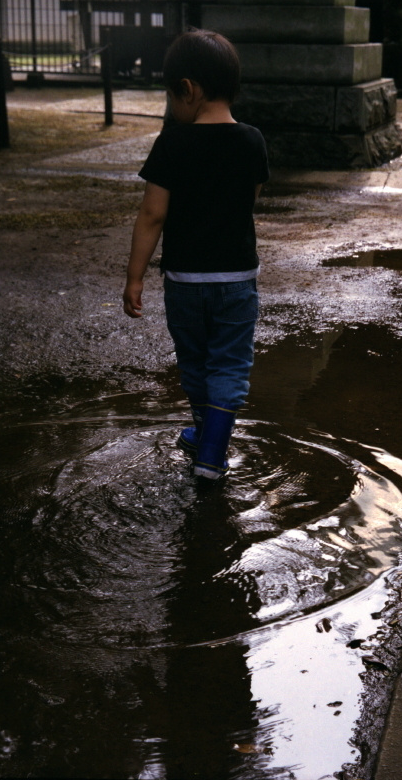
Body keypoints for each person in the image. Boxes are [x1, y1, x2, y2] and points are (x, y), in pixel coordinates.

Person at [122, 29, 269, 481]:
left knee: (195, 361)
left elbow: (151, 215)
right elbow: (252, 196)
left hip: (185, 283)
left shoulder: (172, 142)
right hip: (236, 281)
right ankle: (211, 452)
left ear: (188, 89)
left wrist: (135, 277)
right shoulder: (251, 141)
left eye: (171, 95)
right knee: (230, 362)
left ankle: (206, 435)